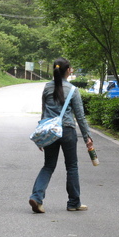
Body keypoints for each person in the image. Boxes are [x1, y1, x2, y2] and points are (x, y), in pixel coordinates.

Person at [29, 58, 94, 214]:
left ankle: (36, 198)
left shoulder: (46, 88)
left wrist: (41, 136)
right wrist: (88, 138)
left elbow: (44, 112)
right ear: (69, 70)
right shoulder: (72, 90)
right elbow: (80, 117)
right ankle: (74, 202)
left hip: (50, 131)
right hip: (67, 131)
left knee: (48, 166)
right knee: (71, 166)